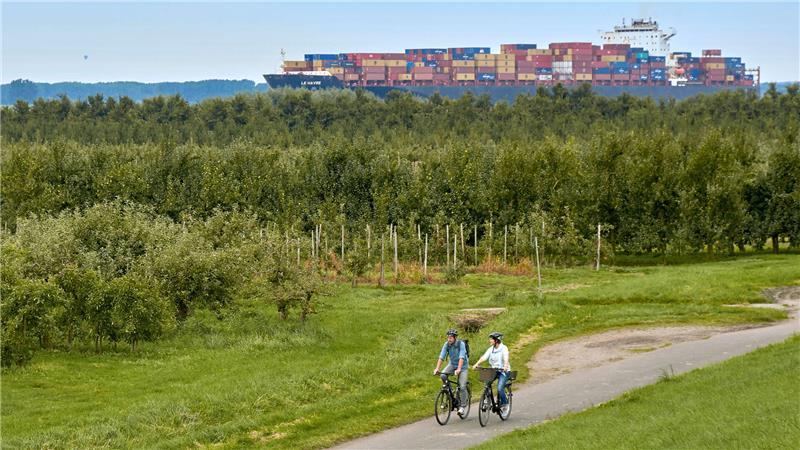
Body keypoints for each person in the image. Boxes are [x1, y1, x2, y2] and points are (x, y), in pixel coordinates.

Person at [472, 331, 511, 416]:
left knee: (500, 388)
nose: (490, 340)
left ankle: (505, 404)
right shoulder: (491, 349)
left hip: (503, 371)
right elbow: (484, 357)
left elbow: (506, 357)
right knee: (487, 383)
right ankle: (486, 399)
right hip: (494, 370)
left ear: (497, 340)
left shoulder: (503, 348)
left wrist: (505, 366)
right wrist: (477, 364)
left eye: (491, 339)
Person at [433, 328, 469, 416]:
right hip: (452, 364)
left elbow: (461, 357)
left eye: (451, 338)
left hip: (463, 367)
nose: (449, 339)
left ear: (455, 338)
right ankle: (449, 391)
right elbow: (441, 356)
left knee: (462, 386)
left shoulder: (461, 344)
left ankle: (462, 406)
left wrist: (459, 369)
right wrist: (437, 368)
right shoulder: (447, 344)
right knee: (443, 376)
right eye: (448, 337)